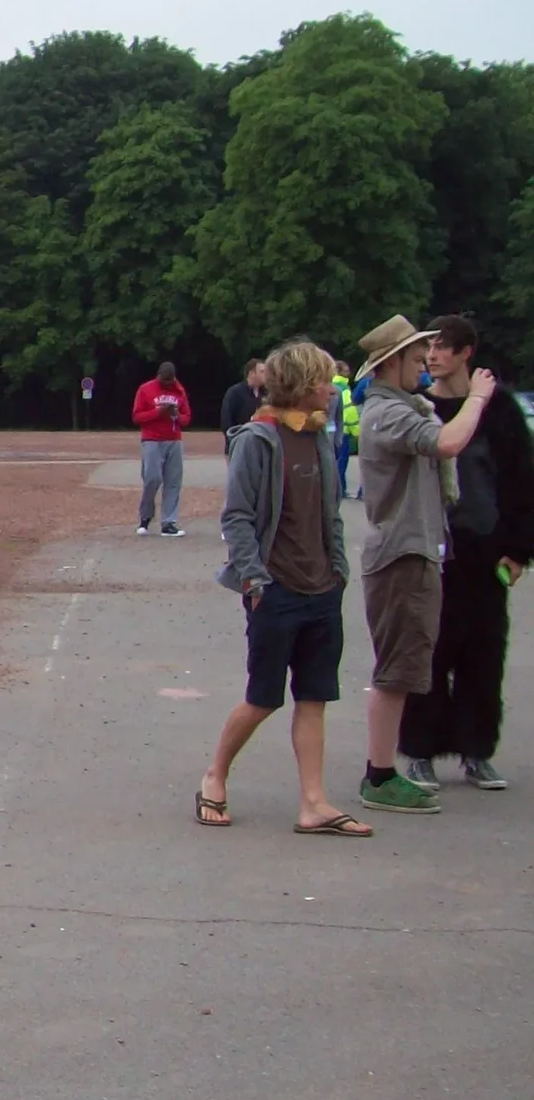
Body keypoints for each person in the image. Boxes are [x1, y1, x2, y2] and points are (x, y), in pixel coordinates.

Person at [199, 340, 369, 835]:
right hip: (275, 590)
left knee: (314, 696)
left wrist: (337, 571)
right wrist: (255, 581)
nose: (332, 389)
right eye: (323, 381)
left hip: (322, 590)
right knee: (264, 696)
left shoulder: (318, 436)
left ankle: (313, 803)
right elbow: (237, 516)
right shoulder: (258, 439)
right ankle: (214, 776)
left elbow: (329, 513)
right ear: (300, 386)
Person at [351, 314, 501, 815]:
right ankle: (380, 774)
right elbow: (447, 442)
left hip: (414, 552)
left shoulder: (403, 407)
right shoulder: (388, 414)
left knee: (407, 665)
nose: (424, 366)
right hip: (400, 556)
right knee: (398, 668)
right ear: (392, 363)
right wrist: (478, 398)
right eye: (417, 358)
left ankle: (385, 771)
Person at [398, 315, 534, 791]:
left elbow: (521, 483)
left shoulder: (499, 412)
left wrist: (518, 550)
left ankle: (478, 751)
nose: (432, 355)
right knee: (428, 653)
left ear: (465, 353)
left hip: (484, 549)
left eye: (441, 347)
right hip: (433, 549)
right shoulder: (418, 408)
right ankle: (419, 752)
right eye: (428, 347)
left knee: (484, 653)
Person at [131, 361, 191, 536]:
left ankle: (169, 522)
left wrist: (176, 415)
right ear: (158, 375)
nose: (167, 384)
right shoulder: (146, 389)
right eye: (164, 380)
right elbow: (137, 416)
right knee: (152, 478)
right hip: (152, 439)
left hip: (174, 440)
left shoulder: (178, 390)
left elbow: (187, 418)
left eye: (170, 380)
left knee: (173, 481)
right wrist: (158, 412)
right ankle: (145, 517)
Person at [219, 359, 265, 434]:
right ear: (252, 373)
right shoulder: (235, 392)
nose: (266, 375)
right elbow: (226, 420)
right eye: (262, 372)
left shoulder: (265, 394)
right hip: (240, 440)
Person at [333, 360, 359, 498]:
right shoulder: (344, 388)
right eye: (346, 371)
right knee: (342, 462)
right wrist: (356, 431)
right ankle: (340, 489)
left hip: (332, 430)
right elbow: (349, 411)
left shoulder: (330, 385)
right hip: (344, 431)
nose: (348, 373)